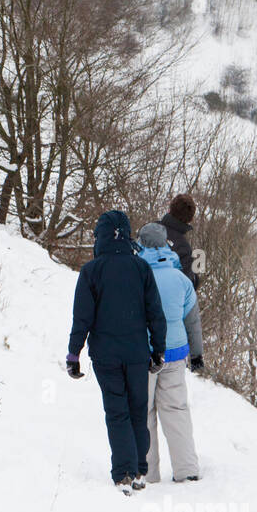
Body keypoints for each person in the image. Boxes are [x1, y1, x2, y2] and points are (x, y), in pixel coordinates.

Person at [66, 210, 167, 494]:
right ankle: (138, 471)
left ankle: (123, 472)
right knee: (138, 409)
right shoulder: (141, 268)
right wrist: (157, 349)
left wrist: (74, 354)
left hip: (106, 355)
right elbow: (154, 313)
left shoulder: (91, 271)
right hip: (136, 352)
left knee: (116, 411)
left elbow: (81, 317)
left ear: (100, 236)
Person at [137, 222, 204, 483]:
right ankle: (187, 470)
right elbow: (193, 321)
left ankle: (148, 473)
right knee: (176, 409)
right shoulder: (181, 279)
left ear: (140, 244)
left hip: (144, 355)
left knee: (143, 412)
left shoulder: (138, 277)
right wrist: (196, 354)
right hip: (175, 354)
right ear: (166, 244)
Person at [159, 193, 200, 290]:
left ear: (169, 209)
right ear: (190, 219)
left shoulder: (148, 229)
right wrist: (195, 280)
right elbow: (183, 286)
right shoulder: (184, 248)